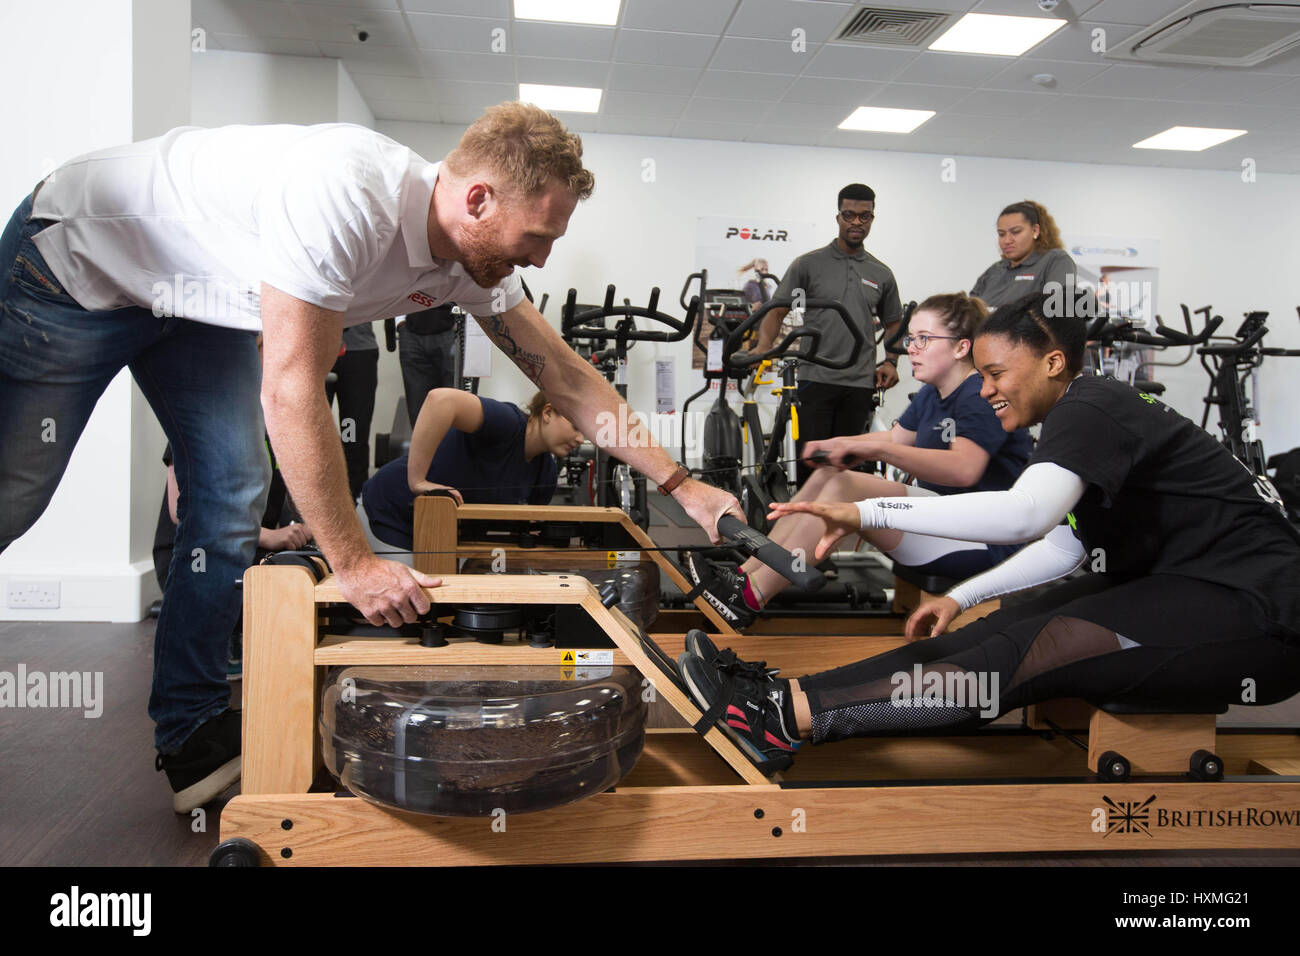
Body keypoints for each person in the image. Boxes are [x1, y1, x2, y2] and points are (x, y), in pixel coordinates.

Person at [0, 101, 741, 813]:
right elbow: (291, 389)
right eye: (536, 238)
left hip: (202, 302)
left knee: (231, 493)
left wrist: (684, 485)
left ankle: (190, 735)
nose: (541, 261)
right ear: (477, 199)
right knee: (15, 493)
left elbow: (566, 375)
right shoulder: (348, 194)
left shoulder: (467, 262)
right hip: (76, 267)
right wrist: (353, 563)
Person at [676, 291, 1300, 767]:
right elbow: (1064, 541)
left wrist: (865, 512)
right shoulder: (1085, 413)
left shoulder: (1091, 406)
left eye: (997, 373)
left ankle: (776, 716)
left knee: (1044, 643)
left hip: (1263, 616)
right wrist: (960, 596)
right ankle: (785, 700)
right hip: (1194, 586)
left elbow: (1022, 513)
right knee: (1003, 623)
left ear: (1054, 362)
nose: (987, 389)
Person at [685, 293, 1032, 627]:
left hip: (981, 537)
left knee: (845, 485)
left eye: (924, 339)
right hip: (943, 519)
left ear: (961, 347)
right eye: (911, 338)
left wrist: (873, 450)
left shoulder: (978, 394)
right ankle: (746, 573)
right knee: (830, 474)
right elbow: (896, 438)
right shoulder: (933, 392)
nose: (911, 348)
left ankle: (749, 597)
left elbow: (963, 469)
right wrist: (841, 444)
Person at [748, 184, 904, 484]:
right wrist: (763, 348)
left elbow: (895, 322)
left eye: (865, 216)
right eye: (849, 215)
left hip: (859, 381)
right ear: (838, 217)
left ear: (872, 219)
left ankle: (840, 522)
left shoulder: (880, 273)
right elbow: (777, 309)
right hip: (814, 377)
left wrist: (891, 362)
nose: (856, 222)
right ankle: (807, 523)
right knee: (811, 460)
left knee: (848, 464)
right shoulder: (809, 264)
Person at [359, 389, 582, 558]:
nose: (581, 439)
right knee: (415, 603)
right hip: (390, 516)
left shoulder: (545, 474)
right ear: (548, 412)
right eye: (576, 427)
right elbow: (440, 400)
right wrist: (418, 481)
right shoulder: (507, 423)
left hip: (446, 539)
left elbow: (524, 533)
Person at [969, 200, 1082, 312]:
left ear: (1035, 230)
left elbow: (1059, 311)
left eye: (1016, 232)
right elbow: (971, 313)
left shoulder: (1056, 260)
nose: (1007, 240)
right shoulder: (994, 271)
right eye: (1001, 234)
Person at [326, 321, 380, 501]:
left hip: (357, 356)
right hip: (317, 350)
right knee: (314, 436)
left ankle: (355, 501)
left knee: (352, 432)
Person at [397, 304, 460, 429]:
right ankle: (422, 448)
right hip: (411, 330)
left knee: (454, 405)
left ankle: (454, 447)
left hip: (450, 329)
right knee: (418, 409)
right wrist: (400, 323)